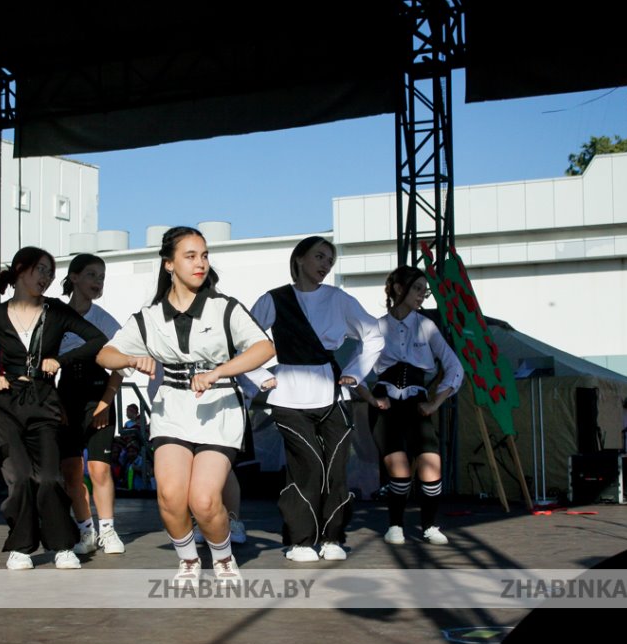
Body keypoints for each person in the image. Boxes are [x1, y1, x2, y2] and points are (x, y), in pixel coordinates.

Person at [97, 226, 274, 583]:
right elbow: (105, 354)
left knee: (204, 500)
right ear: (169, 264)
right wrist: (131, 359)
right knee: (170, 496)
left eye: (204, 255)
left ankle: (223, 557)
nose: (200, 263)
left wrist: (219, 371)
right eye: (190, 256)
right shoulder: (149, 317)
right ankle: (189, 560)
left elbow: (264, 348)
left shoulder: (225, 308)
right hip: (172, 409)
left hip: (219, 407)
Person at [0, 246, 107, 570]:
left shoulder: (56, 310)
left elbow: (97, 339)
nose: (46, 277)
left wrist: (61, 360)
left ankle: (62, 546)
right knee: (21, 477)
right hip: (6, 403)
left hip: (44, 401)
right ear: (20, 269)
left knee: (51, 477)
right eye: (41, 269)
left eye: (50, 273)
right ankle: (21, 547)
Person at [246, 236, 383, 562]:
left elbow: (374, 335)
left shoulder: (339, 299)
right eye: (319, 256)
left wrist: (355, 373)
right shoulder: (274, 299)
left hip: (333, 395)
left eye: (330, 260)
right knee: (307, 466)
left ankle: (332, 537)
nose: (325, 265)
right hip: (288, 397)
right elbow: (242, 341)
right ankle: (301, 541)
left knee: (336, 468)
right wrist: (260, 376)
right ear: (299, 259)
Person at [354, 266, 463, 545]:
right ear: (399, 289)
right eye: (417, 289)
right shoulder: (376, 327)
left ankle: (430, 526)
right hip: (385, 403)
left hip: (417, 402)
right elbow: (354, 371)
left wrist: (436, 402)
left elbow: (454, 366)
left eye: (425, 291)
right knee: (399, 467)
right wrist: (372, 399)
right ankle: (395, 526)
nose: (422, 295)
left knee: (431, 464)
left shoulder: (426, 326)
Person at [56, 253, 127, 555]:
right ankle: (86, 531)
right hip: (66, 397)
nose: (98, 282)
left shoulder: (105, 320)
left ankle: (108, 531)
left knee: (99, 469)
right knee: (72, 470)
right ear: (74, 277)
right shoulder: (55, 316)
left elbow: (121, 364)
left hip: (99, 394)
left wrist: (106, 402)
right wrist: (56, 404)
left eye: (102, 277)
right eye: (91, 275)